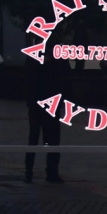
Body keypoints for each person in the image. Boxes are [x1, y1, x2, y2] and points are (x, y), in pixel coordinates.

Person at [24, 44, 64, 183]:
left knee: (37, 139)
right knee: (49, 139)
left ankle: (33, 171)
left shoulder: (35, 60)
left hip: (41, 104)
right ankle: (49, 172)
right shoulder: (54, 61)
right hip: (46, 104)